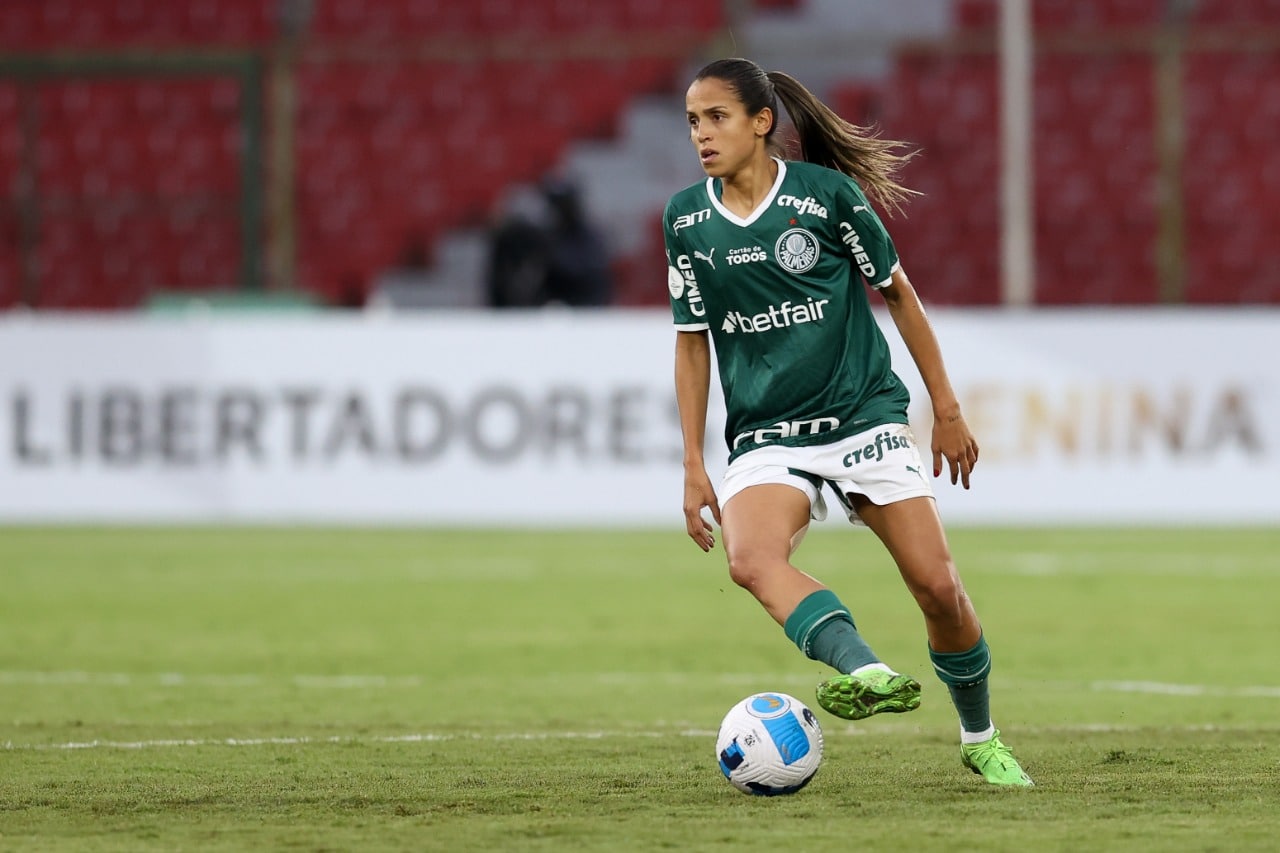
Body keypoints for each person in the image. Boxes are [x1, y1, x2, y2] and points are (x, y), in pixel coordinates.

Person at [665, 58, 1032, 787]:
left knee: (940, 589)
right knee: (749, 559)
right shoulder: (686, 220)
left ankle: (980, 735)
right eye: (692, 122)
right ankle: (865, 670)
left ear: (761, 121)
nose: (701, 135)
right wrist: (693, 460)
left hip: (862, 416)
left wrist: (947, 410)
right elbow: (690, 338)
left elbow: (900, 295)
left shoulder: (827, 197)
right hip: (768, 432)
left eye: (716, 117)